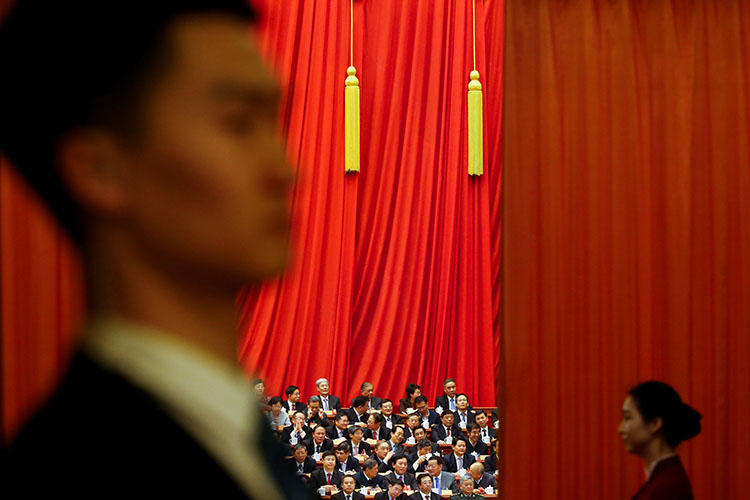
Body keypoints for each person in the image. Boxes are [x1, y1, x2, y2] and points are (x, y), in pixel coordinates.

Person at [1, 2, 306, 499]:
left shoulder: (236, 438)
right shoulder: (73, 469)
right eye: (236, 124)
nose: (286, 171)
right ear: (101, 171)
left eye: (272, 122)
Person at [618, 381, 701, 500]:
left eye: (627, 418)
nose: (620, 429)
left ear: (655, 424)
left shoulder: (667, 488)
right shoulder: (664, 479)